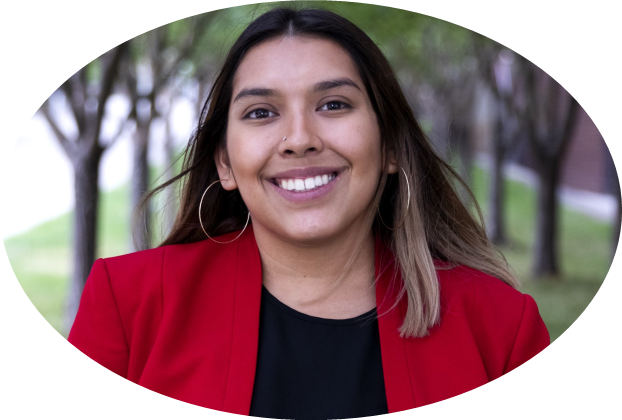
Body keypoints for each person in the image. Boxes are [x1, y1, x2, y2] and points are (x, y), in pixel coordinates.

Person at [68, 7, 549, 418]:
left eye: (334, 104)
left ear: (391, 149)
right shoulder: (128, 307)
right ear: (224, 162)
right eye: (261, 112)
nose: (299, 139)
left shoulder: (502, 329)